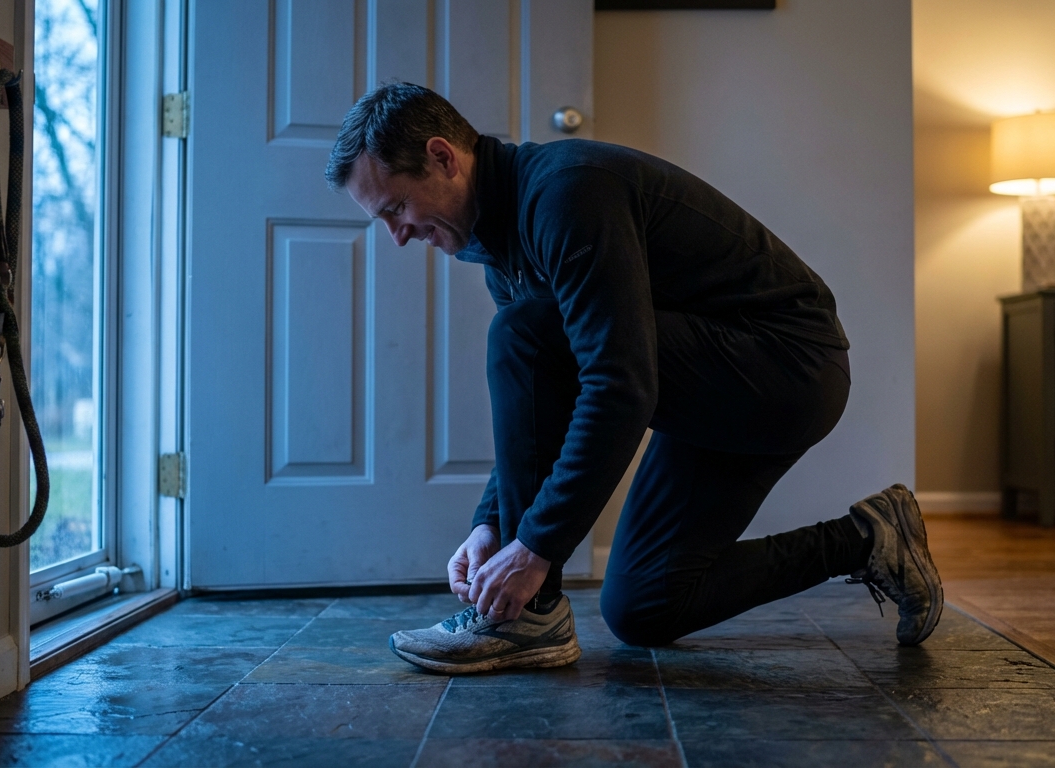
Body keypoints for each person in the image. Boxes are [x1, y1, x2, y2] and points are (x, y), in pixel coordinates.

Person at [325, 82, 942, 674]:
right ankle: (869, 538)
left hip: (787, 368)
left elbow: (618, 385)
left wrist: (534, 550)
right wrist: (490, 525)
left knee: (523, 333)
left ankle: (530, 619)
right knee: (643, 605)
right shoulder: (502, 249)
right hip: (711, 380)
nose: (398, 236)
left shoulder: (567, 192)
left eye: (396, 208)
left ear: (443, 158)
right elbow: (542, 409)